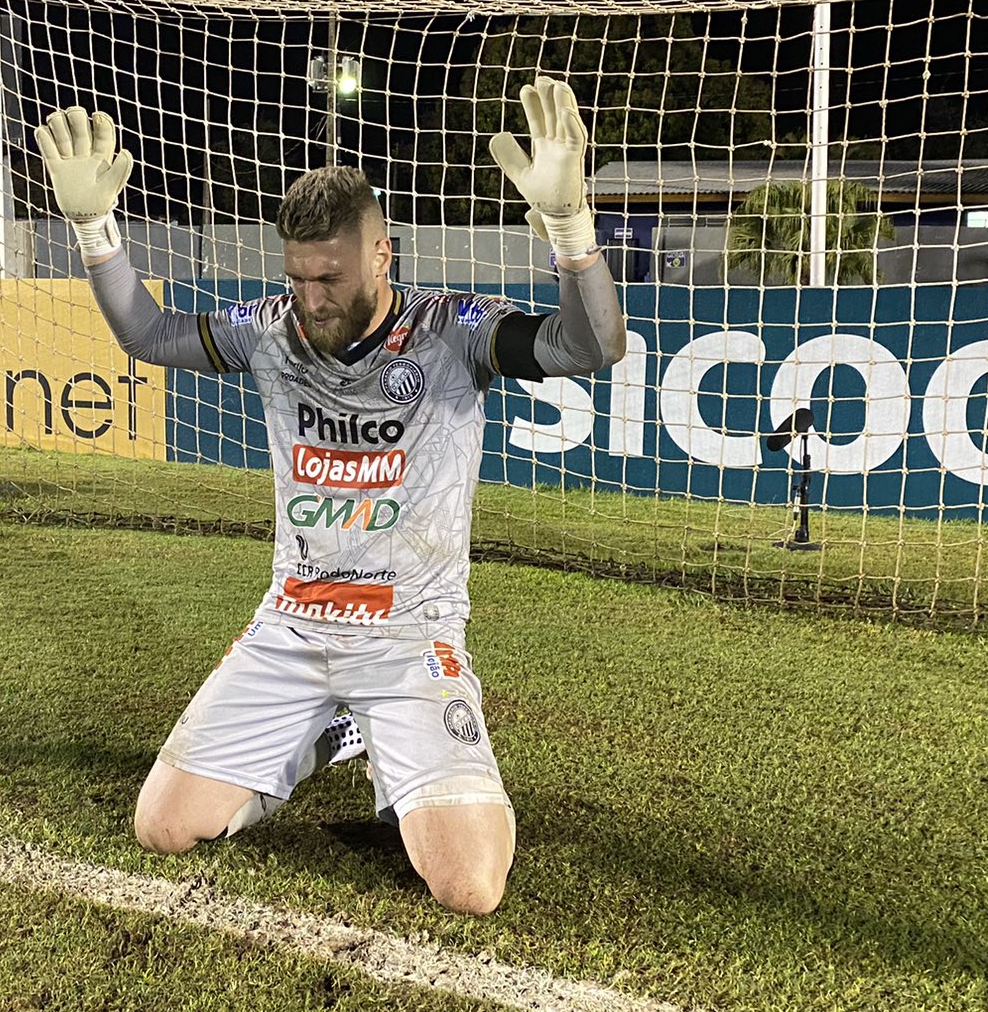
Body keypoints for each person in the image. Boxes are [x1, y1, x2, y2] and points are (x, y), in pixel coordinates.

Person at [34, 77, 626, 915]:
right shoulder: (272, 330)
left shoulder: (451, 330)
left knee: (469, 888)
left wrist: (570, 232)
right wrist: (95, 230)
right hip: (291, 624)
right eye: (300, 277)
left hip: (409, 633)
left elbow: (593, 345)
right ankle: (326, 734)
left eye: (332, 278)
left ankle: (386, 730)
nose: (313, 299)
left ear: (382, 256)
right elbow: (148, 335)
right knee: (162, 829)